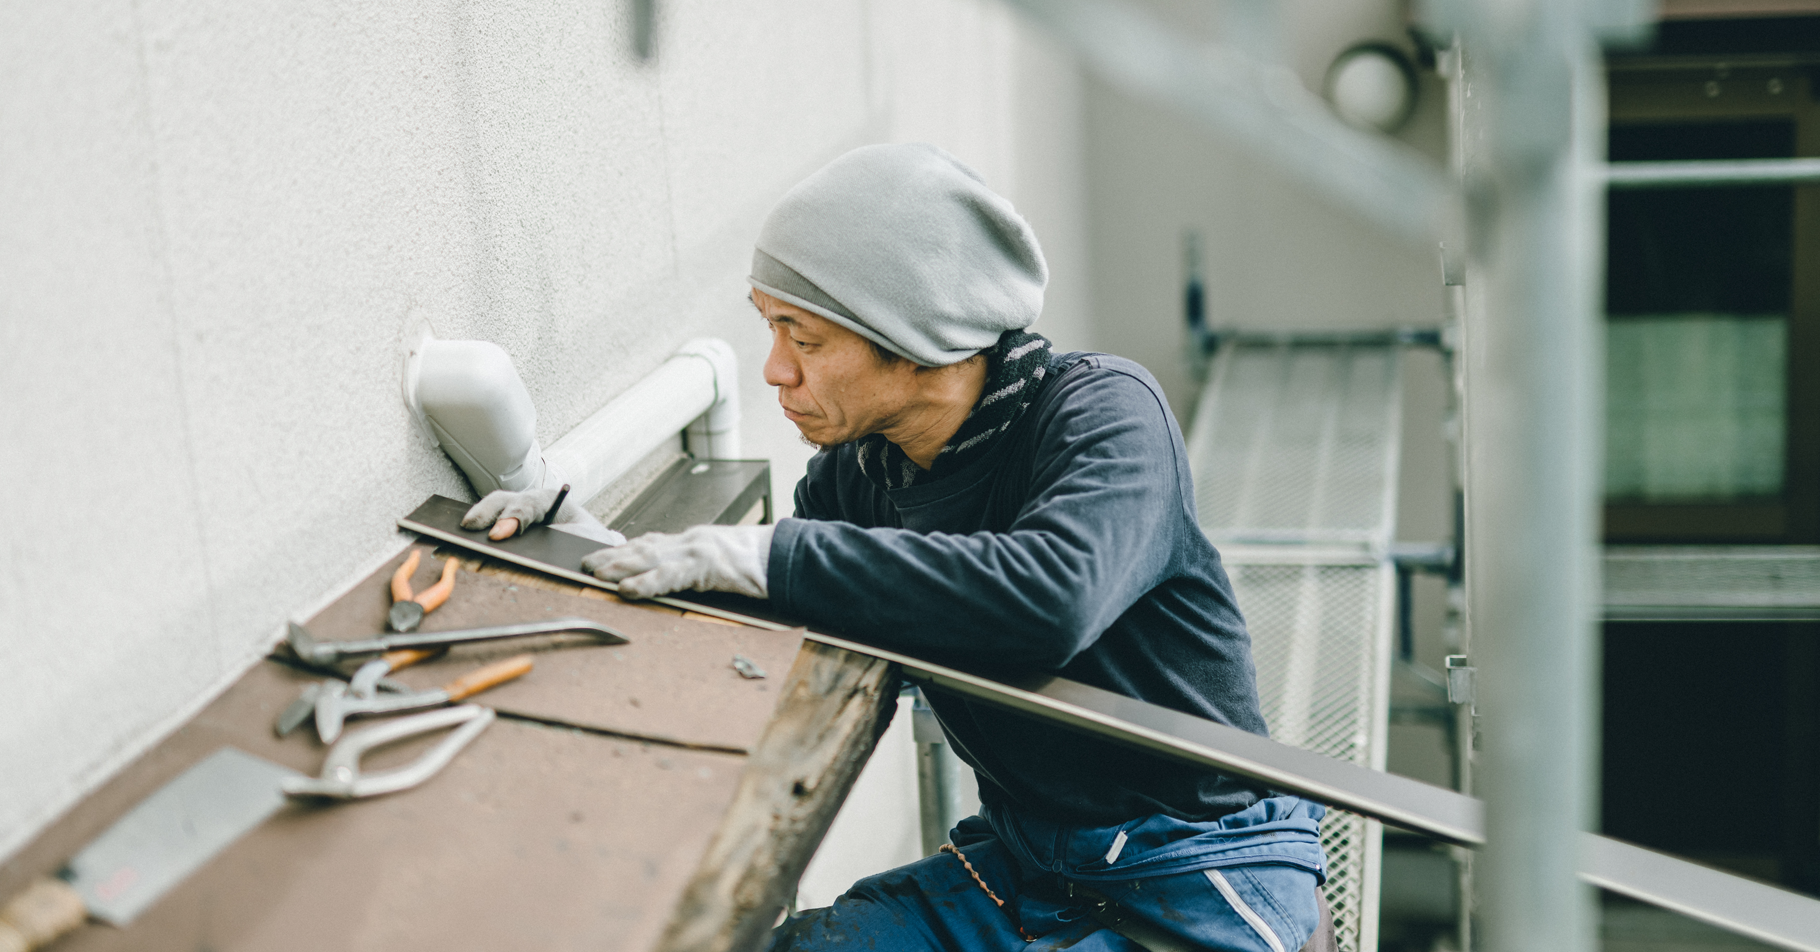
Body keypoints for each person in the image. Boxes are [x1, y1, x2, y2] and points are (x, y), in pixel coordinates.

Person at [462, 143, 1329, 952]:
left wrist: (761, 557)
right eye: (771, 330)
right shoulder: (862, 474)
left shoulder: (1104, 416)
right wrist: (605, 555)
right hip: (1031, 862)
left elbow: (1048, 601)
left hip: (1202, 872)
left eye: (805, 339)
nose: (775, 370)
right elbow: (784, 612)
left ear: (919, 344)